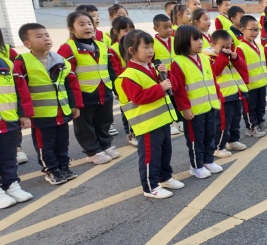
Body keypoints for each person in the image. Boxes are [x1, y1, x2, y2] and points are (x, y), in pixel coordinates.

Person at [116, 30, 183, 199]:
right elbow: (138, 98)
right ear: (132, 51)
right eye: (146, 47)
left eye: (152, 47)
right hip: (146, 124)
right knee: (149, 156)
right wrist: (160, 87)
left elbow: (171, 86)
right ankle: (150, 186)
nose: (151, 51)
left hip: (161, 120)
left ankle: (165, 177)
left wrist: (165, 75)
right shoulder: (129, 75)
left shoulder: (152, 68)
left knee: (165, 152)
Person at [15, 23, 82, 186]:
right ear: (27, 44)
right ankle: (51, 169)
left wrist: (75, 105)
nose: (45, 38)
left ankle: (64, 166)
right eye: (38, 36)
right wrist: (24, 114)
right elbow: (19, 90)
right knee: (45, 144)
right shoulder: (22, 62)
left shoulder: (59, 59)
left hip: (62, 110)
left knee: (62, 141)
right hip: (40, 115)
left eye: (46, 35)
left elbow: (71, 84)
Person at [58, 11, 121, 165]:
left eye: (89, 24)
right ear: (71, 29)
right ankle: (92, 151)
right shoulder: (67, 49)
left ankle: (105, 145)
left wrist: (117, 89)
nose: (87, 27)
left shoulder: (102, 46)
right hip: (83, 96)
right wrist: (73, 102)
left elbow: (111, 70)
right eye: (81, 24)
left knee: (104, 121)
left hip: (103, 93)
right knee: (85, 125)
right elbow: (65, 77)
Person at [170, 25, 223, 180]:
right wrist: (184, 109)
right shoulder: (178, 63)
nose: (200, 42)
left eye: (200, 38)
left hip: (210, 105)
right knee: (195, 139)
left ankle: (208, 161)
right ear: (184, 41)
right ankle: (196, 166)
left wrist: (218, 97)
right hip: (194, 110)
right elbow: (178, 90)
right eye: (195, 39)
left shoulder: (204, 58)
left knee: (210, 135)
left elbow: (212, 81)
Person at [207, 29, 249, 157]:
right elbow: (216, 71)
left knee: (235, 119)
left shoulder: (230, 55)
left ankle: (233, 140)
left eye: (229, 46)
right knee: (223, 123)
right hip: (223, 96)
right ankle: (218, 147)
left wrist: (235, 58)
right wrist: (223, 56)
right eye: (222, 47)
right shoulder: (209, 58)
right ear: (212, 45)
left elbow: (242, 67)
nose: (226, 49)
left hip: (236, 93)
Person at [0, 47, 33, 208]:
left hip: (8, 121)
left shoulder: (7, 64)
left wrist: (24, 114)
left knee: (8, 157)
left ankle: (11, 184)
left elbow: (21, 91)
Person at [235, 15, 267, 137]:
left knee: (260, 106)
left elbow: (265, 64)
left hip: (260, 83)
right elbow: (240, 68)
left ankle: (260, 122)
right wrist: (244, 84)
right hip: (249, 86)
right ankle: (252, 127)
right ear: (242, 30)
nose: (255, 33)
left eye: (257, 30)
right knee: (250, 108)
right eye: (252, 30)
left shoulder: (260, 46)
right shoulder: (240, 48)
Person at [107, 16, 137, 146]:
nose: (129, 33)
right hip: (124, 84)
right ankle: (130, 133)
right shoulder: (113, 49)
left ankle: (136, 131)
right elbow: (115, 70)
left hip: (136, 82)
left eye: (131, 29)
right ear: (116, 31)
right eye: (125, 30)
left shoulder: (137, 45)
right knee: (127, 110)